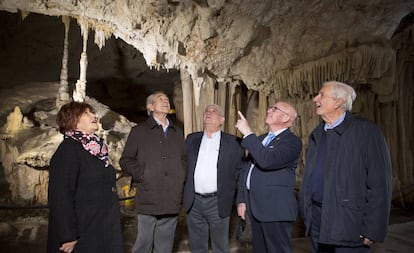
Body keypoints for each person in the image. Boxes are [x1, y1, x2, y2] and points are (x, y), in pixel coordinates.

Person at [298, 81, 393, 253]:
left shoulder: (365, 131)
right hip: (318, 218)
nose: (315, 99)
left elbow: (380, 184)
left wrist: (373, 228)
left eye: (321, 95)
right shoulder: (317, 134)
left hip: (349, 220)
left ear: (338, 102)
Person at [47, 101, 123, 253]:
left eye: (92, 112)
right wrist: (68, 235)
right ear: (73, 120)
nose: (94, 115)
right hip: (84, 232)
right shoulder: (68, 150)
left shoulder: (96, 149)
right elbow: (60, 195)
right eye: (86, 113)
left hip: (100, 227)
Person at [119, 91, 186, 253]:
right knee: (144, 243)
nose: (165, 101)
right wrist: (143, 174)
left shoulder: (177, 132)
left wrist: (180, 177)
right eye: (160, 99)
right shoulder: (139, 131)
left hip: (171, 197)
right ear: (150, 107)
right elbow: (126, 159)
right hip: (149, 196)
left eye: (167, 99)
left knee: (165, 246)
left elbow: (185, 159)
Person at [235, 101, 302, 253]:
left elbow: (267, 161)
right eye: (270, 107)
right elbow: (246, 170)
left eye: (274, 109)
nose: (269, 110)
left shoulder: (291, 142)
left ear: (286, 118)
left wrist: (247, 132)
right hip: (256, 207)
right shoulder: (261, 139)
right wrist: (242, 199)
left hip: (275, 209)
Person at [183, 104, 245, 253]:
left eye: (213, 111)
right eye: (207, 111)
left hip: (217, 201)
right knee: (197, 246)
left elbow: (240, 173)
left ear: (222, 120)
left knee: (220, 246)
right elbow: (183, 165)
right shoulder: (192, 139)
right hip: (194, 201)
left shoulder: (234, 143)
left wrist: (241, 200)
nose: (208, 113)